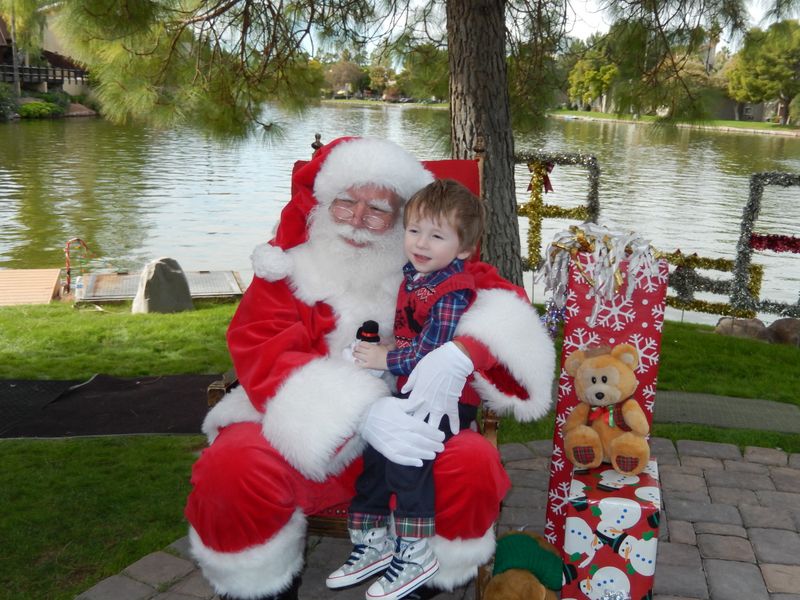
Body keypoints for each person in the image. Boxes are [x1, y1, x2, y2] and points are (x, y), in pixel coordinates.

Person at [184, 136, 556, 600]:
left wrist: (462, 353)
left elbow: (506, 309)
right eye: (345, 203)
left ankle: (420, 584)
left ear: (403, 217)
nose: (358, 220)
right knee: (233, 465)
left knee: (473, 462)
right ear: (321, 203)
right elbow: (263, 352)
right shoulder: (287, 271)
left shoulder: (430, 263)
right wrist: (362, 412)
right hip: (302, 429)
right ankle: (262, 591)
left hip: (410, 428)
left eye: (378, 209)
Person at [326, 179, 485, 599]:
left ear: (464, 249)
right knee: (375, 456)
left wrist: (385, 360)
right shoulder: (415, 277)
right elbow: (412, 336)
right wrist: (383, 347)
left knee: (406, 460)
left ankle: (417, 553)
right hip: (409, 392)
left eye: (437, 236)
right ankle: (372, 542)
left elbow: (431, 353)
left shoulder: (453, 289)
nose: (421, 243)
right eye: (414, 230)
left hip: (446, 403)